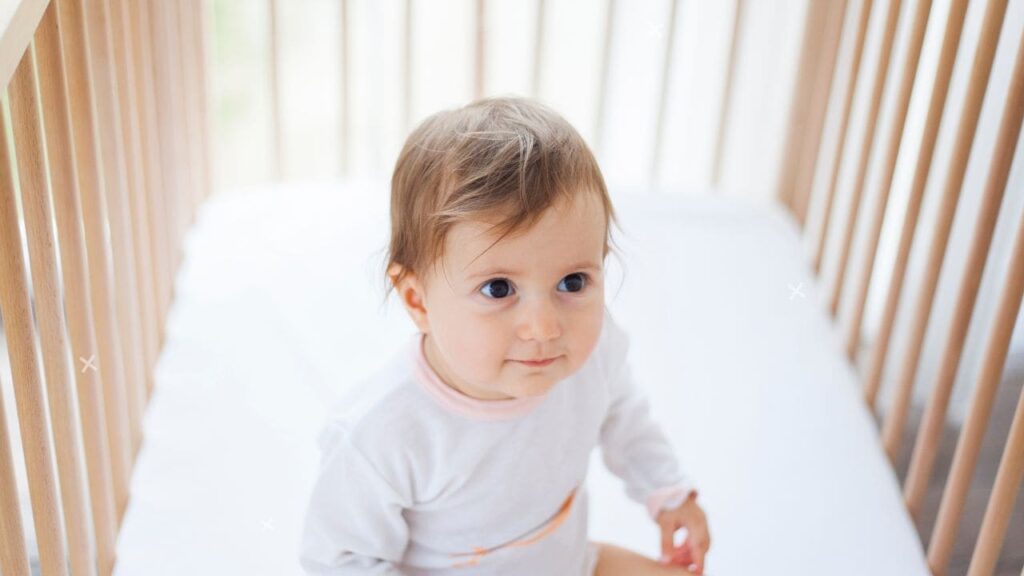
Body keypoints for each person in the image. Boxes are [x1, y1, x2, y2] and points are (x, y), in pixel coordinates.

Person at [299, 96, 711, 575]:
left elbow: (624, 417)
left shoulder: (588, 353)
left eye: (572, 282)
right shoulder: (384, 433)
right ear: (418, 301)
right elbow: (339, 561)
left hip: (572, 563)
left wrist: (667, 492)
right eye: (499, 289)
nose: (544, 327)